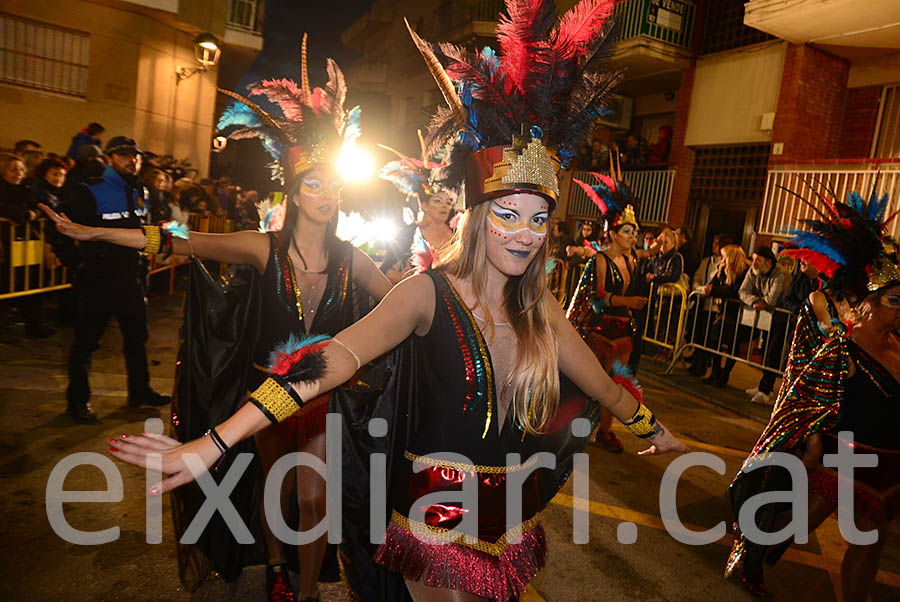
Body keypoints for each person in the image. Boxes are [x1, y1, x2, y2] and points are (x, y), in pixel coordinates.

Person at [106, 4, 687, 601]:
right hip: (433, 521)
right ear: (481, 217)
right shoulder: (426, 295)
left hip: (508, 522)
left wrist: (652, 428)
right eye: (509, 215)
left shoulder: (542, 311)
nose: (524, 233)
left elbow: (602, 386)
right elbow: (328, 359)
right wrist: (215, 441)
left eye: (539, 219)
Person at [47, 46, 392, 602]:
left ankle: (305, 593)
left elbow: (404, 303)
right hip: (266, 390)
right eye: (314, 184)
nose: (327, 195)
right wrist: (98, 234)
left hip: (324, 398)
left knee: (312, 498)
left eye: (333, 185)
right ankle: (276, 563)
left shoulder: (354, 259)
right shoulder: (262, 248)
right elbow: (182, 241)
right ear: (294, 191)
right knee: (275, 488)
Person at [726, 188, 898, 602]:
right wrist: (812, 444)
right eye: (894, 301)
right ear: (866, 304)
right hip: (846, 456)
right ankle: (750, 548)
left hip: (891, 465)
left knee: (871, 542)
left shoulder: (899, 344)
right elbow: (802, 397)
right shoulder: (843, 345)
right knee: (799, 522)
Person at [52, 136, 166, 423]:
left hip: (130, 276)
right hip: (98, 278)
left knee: (137, 339)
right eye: (125, 155)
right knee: (86, 342)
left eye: (136, 156)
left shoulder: (142, 190)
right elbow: (60, 228)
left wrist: (157, 249)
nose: (133, 160)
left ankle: (140, 392)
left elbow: (142, 229)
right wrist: (75, 262)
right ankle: (77, 403)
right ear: (111, 158)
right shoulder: (89, 190)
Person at [567, 173, 648, 453]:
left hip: (624, 331)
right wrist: (628, 300)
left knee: (617, 384)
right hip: (601, 329)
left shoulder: (633, 260)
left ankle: (606, 431)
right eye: (627, 231)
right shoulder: (601, 259)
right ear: (612, 232)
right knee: (594, 382)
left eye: (634, 232)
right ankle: (578, 428)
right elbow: (598, 297)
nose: (632, 236)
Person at [377, 140, 455, 283]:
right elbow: (385, 271)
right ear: (424, 205)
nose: (444, 206)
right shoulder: (408, 233)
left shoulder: (457, 234)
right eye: (437, 201)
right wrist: (411, 282)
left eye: (448, 202)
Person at [739, 246, 790, 404]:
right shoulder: (753, 271)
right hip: (766, 317)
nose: (754, 263)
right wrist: (755, 301)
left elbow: (772, 299)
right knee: (765, 350)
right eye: (753, 259)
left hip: (780, 318)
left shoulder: (779, 273)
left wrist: (762, 302)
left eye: (758, 260)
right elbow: (742, 291)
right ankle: (763, 386)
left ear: (768, 262)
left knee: (772, 352)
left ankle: (766, 390)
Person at [702, 244, 751, 387]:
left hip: (737, 314)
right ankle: (715, 371)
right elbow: (713, 285)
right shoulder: (722, 269)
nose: (721, 260)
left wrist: (714, 291)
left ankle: (725, 374)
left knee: (733, 346)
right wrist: (711, 287)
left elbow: (733, 291)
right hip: (723, 312)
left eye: (724, 257)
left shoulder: (743, 272)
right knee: (714, 340)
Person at [687, 233, 732, 376]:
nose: (713, 245)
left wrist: (712, 291)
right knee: (700, 335)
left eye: (716, 243)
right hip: (703, 304)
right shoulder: (706, 262)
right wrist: (701, 290)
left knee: (711, 340)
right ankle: (697, 362)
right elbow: (697, 278)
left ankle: (706, 364)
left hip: (716, 308)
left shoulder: (728, 264)